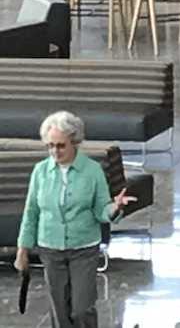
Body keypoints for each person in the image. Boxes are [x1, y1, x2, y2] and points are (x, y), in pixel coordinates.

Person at [15, 110, 135, 328]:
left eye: (60, 145)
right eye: (50, 145)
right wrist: (22, 250)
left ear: (74, 142)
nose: (55, 151)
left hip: (84, 249)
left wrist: (114, 208)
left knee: (82, 308)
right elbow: (31, 212)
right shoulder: (40, 172)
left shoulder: (93, 171)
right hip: (50, 249)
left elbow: (101, 210)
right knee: (59, 311)